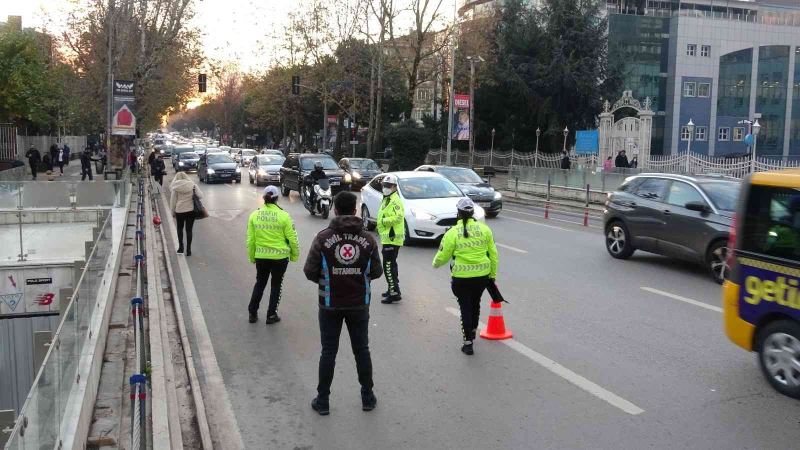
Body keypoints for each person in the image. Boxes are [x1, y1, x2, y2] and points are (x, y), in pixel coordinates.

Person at [303, 191, 383, 416]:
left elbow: (310, 271)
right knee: (362, 350)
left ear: (335, 210)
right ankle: (367, 397)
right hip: (359, 304)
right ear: (355, 210)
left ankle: (323, 400)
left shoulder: (322, 238)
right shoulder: (368, 239)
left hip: (329, 304)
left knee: (328, 351)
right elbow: (376, 272)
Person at [432, 198, 499, 355]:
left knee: (465, 307)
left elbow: (443, 255)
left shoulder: (452, 232)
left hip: (461, 278)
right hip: (482, 276)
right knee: (475, 303)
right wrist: (492, 275)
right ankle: (473, 330)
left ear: (459, 213)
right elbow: (494, 255)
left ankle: (468, 342)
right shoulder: (485, 229)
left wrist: (435, 264)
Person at [246, 185, 299, 324]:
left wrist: (252, 256)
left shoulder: (254, 215)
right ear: (277, 198)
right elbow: (292, 238)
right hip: (280, 258)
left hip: (261, 257)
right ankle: (271, 315)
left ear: (264, 198)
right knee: (276, 286)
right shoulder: (284, 216)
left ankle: (252, 313)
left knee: (260, 283)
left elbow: (250, 240)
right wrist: (294, 255)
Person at [376, 174, 404, 303]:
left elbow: (398, 217)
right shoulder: (387, 198)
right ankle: (392, 288)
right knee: (391, 265)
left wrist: (382, 221)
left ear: (394, 187)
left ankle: (394, 293)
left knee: (388, 266)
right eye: (384, 186)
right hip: (387, 238)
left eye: (388, 186)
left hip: (392, 238)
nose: (385, 188)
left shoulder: (395, 200)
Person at [170, 172, 203, 256]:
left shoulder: (175, 187)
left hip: (180, 210)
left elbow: (173, 201)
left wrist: (172, 212)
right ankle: (188, 250)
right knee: (189, 230)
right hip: (191, 210)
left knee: (180, 229)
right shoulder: (192, 185)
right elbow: (200, 195)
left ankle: (181, 248)